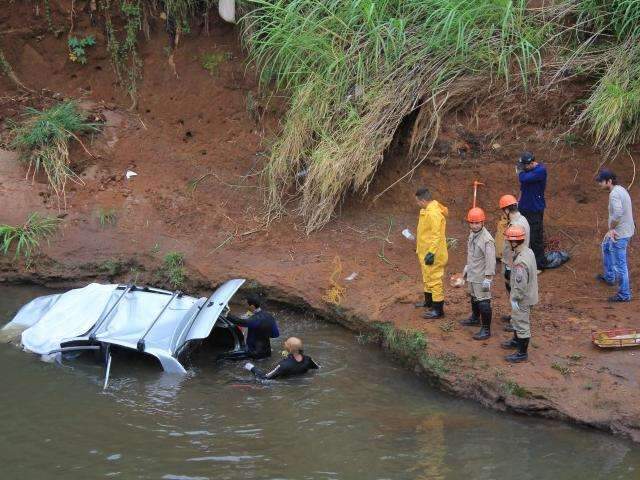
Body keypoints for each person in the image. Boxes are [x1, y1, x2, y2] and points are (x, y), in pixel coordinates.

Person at [596, 169, 635, 302]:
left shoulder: (614, 194)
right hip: (625, 229)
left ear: (609, 181)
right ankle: (609, 277)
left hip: (620, 233)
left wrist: (611, 228)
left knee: (620, 264)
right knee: (606, 246)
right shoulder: (620, 189)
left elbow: (618, 213)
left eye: (601, 181)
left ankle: (624, 294)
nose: (599, 184)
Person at [501, 225, 538, 363]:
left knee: (522, 323)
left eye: (509, 241)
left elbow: (520, 285)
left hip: (523, 298)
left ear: (514, 242)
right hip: (530, 294)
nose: (507, 243)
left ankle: (522, 353)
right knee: (517, 319)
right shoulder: (528, 252)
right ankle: (516, 341)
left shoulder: (520, 262)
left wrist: (515, 298)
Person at [460, 207, 496, 340]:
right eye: (472, 223)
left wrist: (488, 278)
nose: (474, 226)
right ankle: (475, 318)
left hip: (481, 277)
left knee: (483, 301)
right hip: (473, 274)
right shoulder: (472, 234)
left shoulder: (487, 240)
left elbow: (491, 260)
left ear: (483, 223)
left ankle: (486, 330)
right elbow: (472, 254)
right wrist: (467, 268)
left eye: (477, 223)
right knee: (474, 296)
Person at [414, 187, 449, 319]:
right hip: (425, 251)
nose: (417, 204)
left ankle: (438, 309)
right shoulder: (427, 209)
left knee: (434, 279)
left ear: (423, 200)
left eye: (418, 202)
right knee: (427, 276)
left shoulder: (433, 213)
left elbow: (437, 235)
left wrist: (431, 253)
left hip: (433, 254)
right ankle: (429, 302)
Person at [498, 194, 530, 331]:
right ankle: (514, 315)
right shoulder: (522, 219)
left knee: (515, 292)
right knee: (513, 292)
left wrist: (509, 267)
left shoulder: (516, 224)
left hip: (514, 264)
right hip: (516, 261)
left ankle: (516, 321)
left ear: (506, 210)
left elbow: (512, 248)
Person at [225, 294, 280, 359]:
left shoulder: (255, 319)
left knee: (224, 358)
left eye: (246, 304)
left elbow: (241, 322)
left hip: (254, 352)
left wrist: (227, 315)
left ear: (252, 306)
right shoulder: (269, 316)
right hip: (267, 351)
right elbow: (276, 334)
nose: (244, 306)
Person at [517, 152, 547, 270]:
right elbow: (522, 188)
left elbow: (523, 178)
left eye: (524, 165)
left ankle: (539, 265)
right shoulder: (529, 171)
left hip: (535, 209)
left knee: (536, 237)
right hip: (524, 207)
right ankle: (523, 260)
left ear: (531, 163)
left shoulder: (540, 171)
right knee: (521, 234)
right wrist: (518, 202)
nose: (522, 168)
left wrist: (521, 173)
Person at [244, 337, 319, 379]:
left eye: (286, 342)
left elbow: (265, 378)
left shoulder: (283, 365)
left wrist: (251, 367)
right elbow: (318, 368)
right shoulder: (308, 359)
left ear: (289, 349)